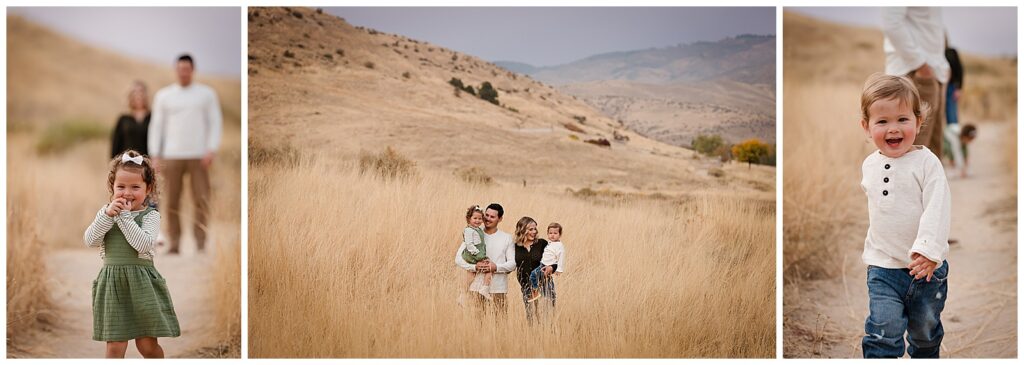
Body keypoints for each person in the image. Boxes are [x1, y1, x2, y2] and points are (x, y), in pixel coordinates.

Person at [858, 73, 951, 358]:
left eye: (902, 119)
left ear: (918, 122)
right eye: (882, 122)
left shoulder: (926, 163)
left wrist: (929, 251)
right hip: (883, 267)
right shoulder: (870, 165)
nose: (893, 129)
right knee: (882, 334)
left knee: (925, 336)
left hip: (926, 271)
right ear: (866, 126)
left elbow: (938, 207)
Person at [83, 150, 180, 358]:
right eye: (121, 187)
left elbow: (143, 245)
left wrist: (125, 217)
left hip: (141, 285)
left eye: (135, 187)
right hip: (112, 285)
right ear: (112, 187)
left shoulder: (151, 216)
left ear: (149, 189)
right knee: (115, 347)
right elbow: (90, 240)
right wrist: (108, 216)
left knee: (147, 345)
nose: (127, 193)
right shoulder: (106, 214)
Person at [149, 54, 223, 254]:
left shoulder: (206, 94)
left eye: (187, 69)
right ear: (176, 70)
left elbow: (215, 122)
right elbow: (156, 126)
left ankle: (200, 242)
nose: (183, 72)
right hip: (171, 155)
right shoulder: (164, 96)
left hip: (199, 155)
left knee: (201, 199)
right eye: (180, 69)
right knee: (172, 200)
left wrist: (211, 149)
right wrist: (155, 154)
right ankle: (174, 243)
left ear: (192, 70)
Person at [882, 7, 950, 158]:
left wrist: (941, 63)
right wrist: (921, 66)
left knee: (932, 153)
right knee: (912, 154)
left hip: (932, 72)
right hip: (912, 72)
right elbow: (891, 22)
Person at [454, 203, 516, 314]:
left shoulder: (507, 238)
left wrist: (495, 267)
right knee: (477, 326)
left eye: (492, 217)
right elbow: (458, 259)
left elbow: (512, 264)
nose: (488, 219)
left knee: (500, 325)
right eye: (486, 215)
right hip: (476, 289)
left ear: (500, 219)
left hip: (498, 290)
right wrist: (474, 267)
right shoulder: (474, 232)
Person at [513, 217, 556, 324]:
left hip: (544, 285)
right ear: (522, 230)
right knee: (531, 319)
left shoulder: (542, 244)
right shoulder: (515, 247)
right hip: (526, 287)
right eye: (530, 229)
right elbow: (511, 264)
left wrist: (551, 267)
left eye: (535, 229)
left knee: (547, 318)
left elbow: (555, 261)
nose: (534, 232)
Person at [458, 205, 493, 304]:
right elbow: (469, 245)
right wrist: (478, 255)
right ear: (469, 219)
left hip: (476, 254)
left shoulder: (477, 229)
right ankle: (484, 289)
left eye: (480, 218)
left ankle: (463, 294)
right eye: (475, 218)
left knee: (472, 274)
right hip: (473, 254)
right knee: (489, 267)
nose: (478, 221)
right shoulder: (469, 230)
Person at [527, 223, 565, 302]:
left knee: (533, 276)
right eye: (550, 233)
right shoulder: (550, 243)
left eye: (555, 233)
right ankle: (541, 292)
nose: (552, 235)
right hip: (542, 264)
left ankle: (536, 291)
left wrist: (559, 269)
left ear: (560, 234)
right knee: (537, 277)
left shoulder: (559, 246)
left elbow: (561, 258)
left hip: (546, 266)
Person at [111, 81, 151, 158]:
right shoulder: (123, 119)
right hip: (126, 162)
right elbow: (115, 144)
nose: (138, 95)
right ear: (130, 95)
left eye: (141, 91)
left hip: (147, 162)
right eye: (135, 92)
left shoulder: (153, 117)